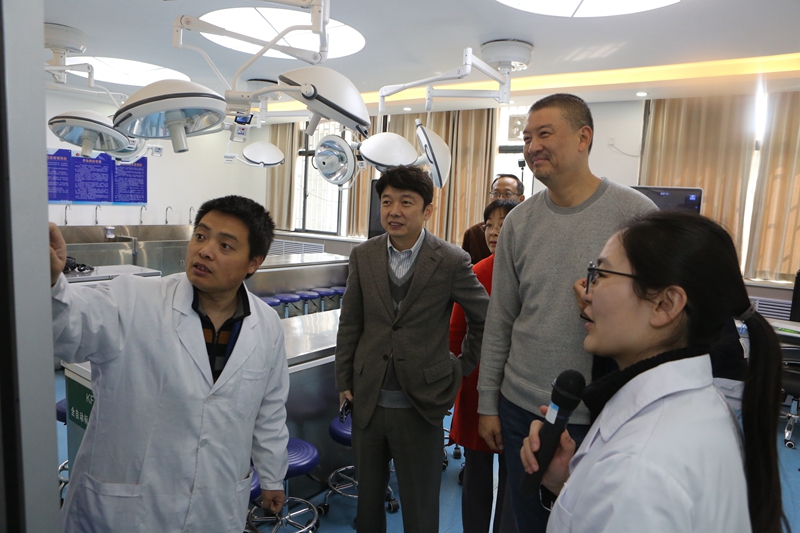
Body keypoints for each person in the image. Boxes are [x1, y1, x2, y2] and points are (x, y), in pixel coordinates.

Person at [521, 210, 790, 533]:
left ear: (666, 304)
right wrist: (565, 484)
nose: (587, 293)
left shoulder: (640, 469)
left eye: (601, 274)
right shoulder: (696, 408)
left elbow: (632, 496)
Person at [50, 195, 290, 533]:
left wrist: (273, 476)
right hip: (127, 508)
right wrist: (51, 283)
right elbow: (66, 329)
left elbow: (269, 409)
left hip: (215, 505)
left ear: (254, 263)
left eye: (225, 245)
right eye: (201, 236)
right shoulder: (133, 299)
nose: (205, 251)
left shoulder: (266, 326)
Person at [476, 93, 657, 532]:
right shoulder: (519, 222)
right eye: (526, 138)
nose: (532, 146)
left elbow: (660, 316)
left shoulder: (636, 215)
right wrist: (487, 401)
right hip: (519, 404)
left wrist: (605, 306)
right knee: (523, 518)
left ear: (583, 137)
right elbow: (501, 317)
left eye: (544, 134)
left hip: (600, 411)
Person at [335, 165, 490, 533]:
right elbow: (351, 322)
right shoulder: (364, 255)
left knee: (421, 510)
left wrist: (458, 368)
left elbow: (484, 318)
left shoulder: (451, 260)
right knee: (367, 507)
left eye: (406, 202)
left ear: (427, 210)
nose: (394, 211)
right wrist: (343, 380)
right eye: (387, 202)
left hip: (421, 404)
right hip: (367, 401)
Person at [450, 199, 519, 533]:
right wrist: (457, 377)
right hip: (477, 383)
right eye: (489, 225)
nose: (493, 232)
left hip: (516, 386)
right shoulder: (476, 272)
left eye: (502, 224)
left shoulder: (527, 271)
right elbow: (456, 332)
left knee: (513, 475)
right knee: (476, 471)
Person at [462, 175, 525, 265]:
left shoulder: (528, 232)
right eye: (495, 194)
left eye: (507, 194)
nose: (500, 198)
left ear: (521, 199)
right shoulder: (473, 233)